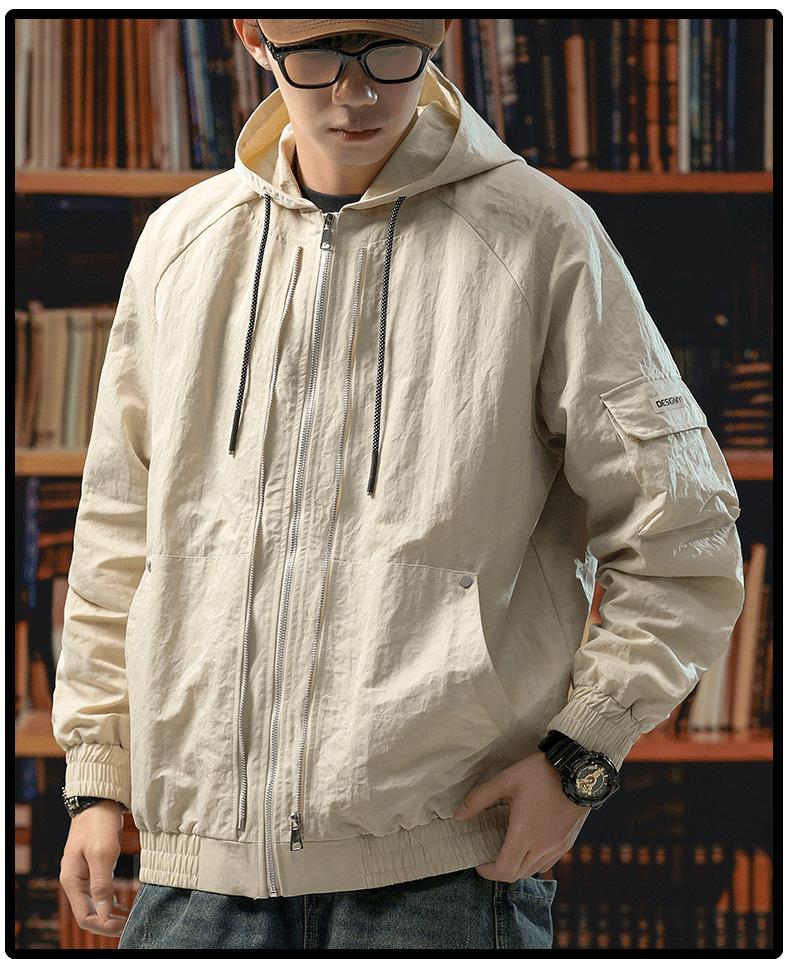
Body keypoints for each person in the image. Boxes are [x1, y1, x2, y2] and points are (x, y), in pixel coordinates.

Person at [52, 17, 745, 950]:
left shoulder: (541, 236)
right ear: (254, 36)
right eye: (316, 53)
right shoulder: (180, 243)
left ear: (440, 30)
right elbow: (117, 536)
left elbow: (683, 533)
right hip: (195, 879)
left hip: (442, 878)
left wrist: (580, 756)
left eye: (391, 47)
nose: (356, 91)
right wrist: (98, 775)